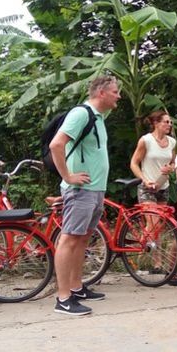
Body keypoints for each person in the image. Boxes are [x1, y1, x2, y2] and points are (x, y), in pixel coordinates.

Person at [49, 75, 121, 315]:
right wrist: (68, 176)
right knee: (69, 239)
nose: (118, 95)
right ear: (101, 93)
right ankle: (63, 298)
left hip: (95, 189)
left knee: (83, 238)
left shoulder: (100, 116)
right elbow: (56, 145)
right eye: (115, 91)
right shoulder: (81, 114)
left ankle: (77, 287)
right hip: (80, 190)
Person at [130, 110, 177, 205]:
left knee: (161, 219)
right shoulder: (146, 140)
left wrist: (171, 168)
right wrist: (144, 180)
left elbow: (174, 162)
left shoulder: (172, 142)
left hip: (163, 186)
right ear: (156, 123)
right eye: (166, 122)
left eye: (171, 122)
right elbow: (134, 163)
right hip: (147, 187)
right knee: (153, 219)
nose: (170, 125)